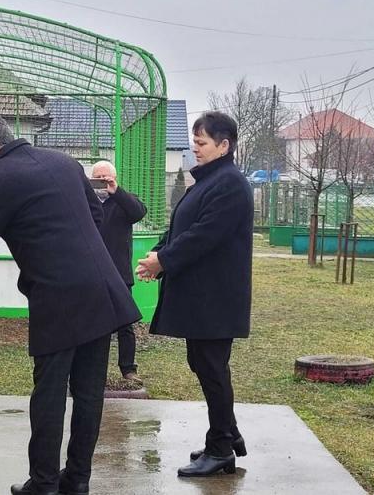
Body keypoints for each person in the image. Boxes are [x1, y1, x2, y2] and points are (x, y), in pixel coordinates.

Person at [0, 115, 141, 495]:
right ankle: (78, 480)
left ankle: (45, 484)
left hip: (58, 298)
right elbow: (96, 214)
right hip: (102, 291)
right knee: (88, 392)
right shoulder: (64, 162)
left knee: (49, 392)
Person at [136, 111, 253, 477]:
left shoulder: (230, 184)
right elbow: (181, 227)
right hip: (204, 296)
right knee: (204, 364)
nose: (194, 148)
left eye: (201, 143)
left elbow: (205, 235)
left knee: (212, 367)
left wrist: (164, 261)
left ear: (224, 145)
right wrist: (158, 254)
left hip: (216, 297)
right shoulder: (209, 181)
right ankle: (226, 434)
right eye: (194, 141)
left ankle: (221, 449)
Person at [90, 160, 147, 383]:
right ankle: (95, 371)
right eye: (98, 178)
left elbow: (139, 212)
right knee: (94, 326)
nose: (102, 182)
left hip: (119, 274)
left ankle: (128, 369)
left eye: (106, 177)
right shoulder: (85, 202)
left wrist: (117, 191)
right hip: (93, 274)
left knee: (125, 324)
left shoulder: (123, 202)